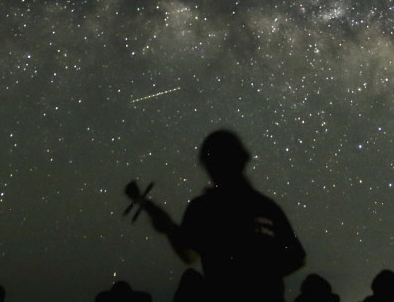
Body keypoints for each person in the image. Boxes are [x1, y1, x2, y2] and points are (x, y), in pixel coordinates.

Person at [128, 129, 306, 302]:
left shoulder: (203, 208)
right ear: (242, 159)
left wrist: (166, 226)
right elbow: (296, 257)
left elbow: (188, 253)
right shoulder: (265, 207)